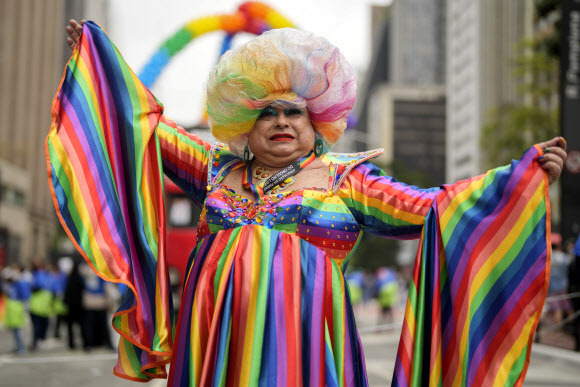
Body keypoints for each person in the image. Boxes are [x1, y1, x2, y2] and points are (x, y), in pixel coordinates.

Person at [52, 20, 566, 386]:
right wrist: (98, 66)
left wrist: (516, 178)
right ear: (242, 126)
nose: (281, 122)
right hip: (216, 347)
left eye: (294, 112)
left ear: (316, 121)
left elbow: (436, 207)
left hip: (310, 355)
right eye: (265, 113)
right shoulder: (212, 167)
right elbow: (143, 126)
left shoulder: (348, 179)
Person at [1, 264, 31, 355]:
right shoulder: (11, 282)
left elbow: (25, 296)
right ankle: (18, 347)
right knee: (14, 330)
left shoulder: (21, 282)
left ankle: (21, 348)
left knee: (17, 330)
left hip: (17, 308)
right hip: (12, 308)